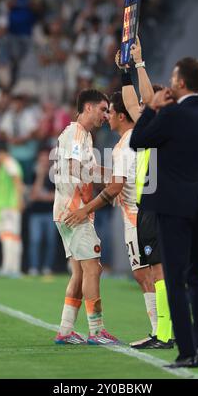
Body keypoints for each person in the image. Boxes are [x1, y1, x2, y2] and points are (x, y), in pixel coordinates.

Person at [65, 91, 174, 348]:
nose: (107, 117)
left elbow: (115, 187)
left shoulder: (127, 143)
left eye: (110, 112)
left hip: (137, 216)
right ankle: (165, 330)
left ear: (122, 116)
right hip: (142, 212)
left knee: (146, 274)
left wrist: (85, 208)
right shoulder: (134, 140)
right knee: (149, 273)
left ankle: (162, 331)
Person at [129, 56, 198, 368]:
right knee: (196, 273)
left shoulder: (172, 115)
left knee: (175, 278)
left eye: (173, 77)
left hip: (172, 206)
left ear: (180, 83)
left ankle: (186, 351)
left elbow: (138, 141)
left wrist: (152, 107)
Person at [53, 89, 119, 345]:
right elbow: (75, 167)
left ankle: (66, 329)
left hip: (66, 210)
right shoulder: (78, 133)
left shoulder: (79, 135)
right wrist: (90, 201)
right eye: (103, 109)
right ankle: (97, 330)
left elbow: (87, 168)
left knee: (80, 273)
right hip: (75, 211)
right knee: (94, 268)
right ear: (88, 108)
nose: (106, 114)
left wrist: (115, 175)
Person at [0, 141, 24, 277]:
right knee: (11, 237)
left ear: (2, 153)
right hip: (7, 206)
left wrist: (19, 200)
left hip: (10, 206)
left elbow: (17, 180)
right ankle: (10, 268)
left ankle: (11, 268)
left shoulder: (8, 163)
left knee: (10, 237)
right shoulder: (5, 165)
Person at [27, 148, 57, 276]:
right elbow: (32, 196)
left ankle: (47, 267)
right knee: (35, 241)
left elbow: (58, 196)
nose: (44, 162)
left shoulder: (55, 175)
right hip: (36, 214)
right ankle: (34, 267)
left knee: (51, 241)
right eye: (41, 159)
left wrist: (42, 196)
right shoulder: (33, 174)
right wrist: (40, 176)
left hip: (51, 213)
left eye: (46, 159)